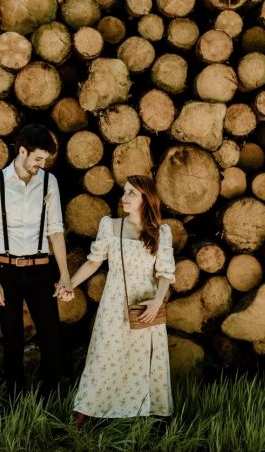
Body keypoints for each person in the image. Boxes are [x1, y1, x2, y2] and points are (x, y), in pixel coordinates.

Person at [56, 175, 175, 419]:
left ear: (146, 198)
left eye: (132, 193)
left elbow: (165, 274)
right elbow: (93, 263)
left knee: (141, 359)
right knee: (103, 355)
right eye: (124, 192)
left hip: (144, 304)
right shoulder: (110, 226)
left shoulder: (161, 232)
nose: (124, 198)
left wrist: (157, 301)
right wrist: (69, 285)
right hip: (114, 302)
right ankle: (85, 413)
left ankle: (143, 412)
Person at [0, 123, 72, 398]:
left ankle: (47, 398)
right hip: (5, 271)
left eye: (45, 160)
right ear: (22, 151)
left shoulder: (48, 181)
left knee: (52, 340)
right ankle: (15, 402)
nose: (41, 165)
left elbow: (55, 229)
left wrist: (64, 274)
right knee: (13, 341)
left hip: (41, 270)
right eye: (38, 159)